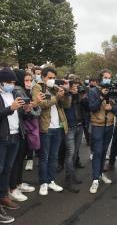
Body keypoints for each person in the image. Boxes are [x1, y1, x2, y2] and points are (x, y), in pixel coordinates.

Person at [32, 66, 71, 196]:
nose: (52, 80)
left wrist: (66, 94)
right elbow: (41, 104)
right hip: (46, 127)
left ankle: (51, 180)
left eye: (54, 78)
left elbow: (66, 105)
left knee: (54, 157)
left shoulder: (55, 88)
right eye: (50, 78)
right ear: (43, 77)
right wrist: (57, 98)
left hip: (58, 127)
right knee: (44, 156)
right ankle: (43, 182)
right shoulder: (37, 87)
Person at [0, 67, 29, 223]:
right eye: (9, 82)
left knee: (7, 169)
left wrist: (25, 108)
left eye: (13, 81)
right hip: (2, 138)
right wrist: (9, 109)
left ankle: (3, 196)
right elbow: (4, 113)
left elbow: (18, 114)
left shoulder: (11, 93)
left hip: (15, 135)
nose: (12, 84)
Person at [9, 70, 40, 203]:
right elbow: (20, 113)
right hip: (16, 130)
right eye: (26, 80)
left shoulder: (25, 91)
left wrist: (32, 106)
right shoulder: (17, 90)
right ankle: (13, 188)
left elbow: (31, 113)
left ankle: (18, 183)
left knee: (20, 159)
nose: (28, 83)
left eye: (30, 80)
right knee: (15, 161)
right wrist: (31, 107)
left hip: (22, 129)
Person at [88, 69, 115, 194]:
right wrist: (101, 97)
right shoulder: (93, 91)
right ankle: (95, 179)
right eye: (105, 77)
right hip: (97, 125)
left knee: (104, 151)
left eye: (109, 77)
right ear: (100, 79)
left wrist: (112, 107)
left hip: (109, 125)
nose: (107, 79)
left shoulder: (112, 90)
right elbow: (92, 108)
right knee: (97, 152)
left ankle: (100, 174)